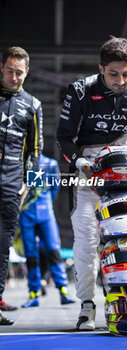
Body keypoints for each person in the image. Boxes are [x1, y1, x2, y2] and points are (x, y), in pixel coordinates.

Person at [57, 36, 127, 330]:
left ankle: (125, 299)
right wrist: (81, 163)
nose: (121, 80)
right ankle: (87, 306)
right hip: (89, 169)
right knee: (86, 239)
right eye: (113, 73)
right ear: (101, 68)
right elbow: (63, 138)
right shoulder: (80, 90)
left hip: (124, 168)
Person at [0, 46, 43, 325]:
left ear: (26, 72)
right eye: (9, 71)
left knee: (3, 244)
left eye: (19, 72)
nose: (14, 77)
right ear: (1, 68)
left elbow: (36, 149)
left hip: (13, 183)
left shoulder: (33, 105)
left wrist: (32, 184)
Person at [19, 151, 75, 308]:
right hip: (26, 214)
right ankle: (33, 293)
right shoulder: (22, 163)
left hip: (46, 214)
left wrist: (44, 203)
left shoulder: (50, 164)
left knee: (54, 251)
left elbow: (54, 189)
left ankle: (63, 291)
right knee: (30, 255)